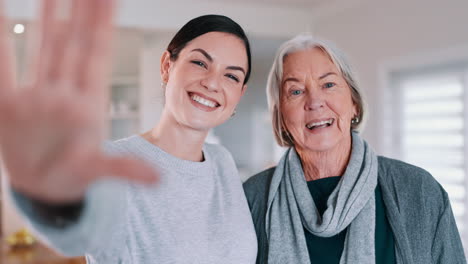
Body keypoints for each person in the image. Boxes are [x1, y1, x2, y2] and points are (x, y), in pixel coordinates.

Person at [0, 1, 257, 263]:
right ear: (167, 65)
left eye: (232, 76)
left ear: (240, 94)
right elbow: (76, 234)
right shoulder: (110, 163)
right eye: (200, 63)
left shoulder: (222, 162)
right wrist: (52, 195)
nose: (213, 82)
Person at [243, 34, 466, 264]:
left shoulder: (419, 190)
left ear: (354, 104)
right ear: (280, 117)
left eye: (328, 85)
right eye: (296, 91)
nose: (314, 101)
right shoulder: (253, 198)